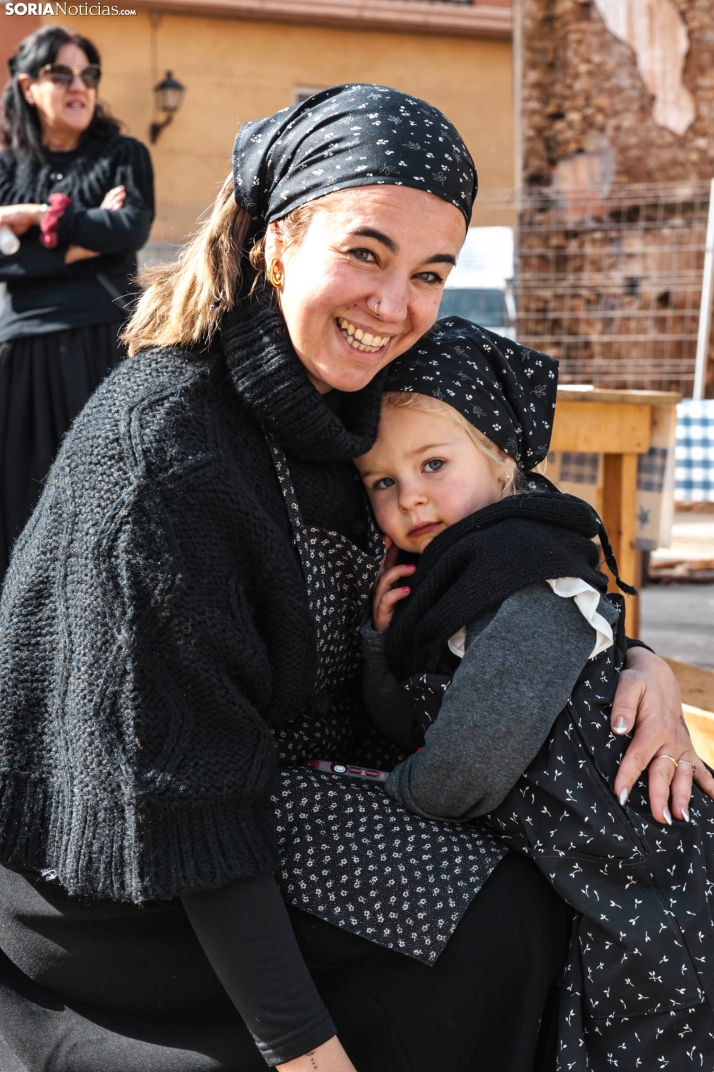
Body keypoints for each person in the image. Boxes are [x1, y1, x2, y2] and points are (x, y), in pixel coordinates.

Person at [0, 84, 696, 1072]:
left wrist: (640, 661)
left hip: (296, 804)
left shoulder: (372, 406)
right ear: (278, 240)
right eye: (365, 252)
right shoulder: (166, 452)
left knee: (557, 884)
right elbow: (182, 788)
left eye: (429, 273)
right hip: (123, 883)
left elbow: (528, 538)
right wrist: (304, 1049)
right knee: (498, 925)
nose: (394, 305)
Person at [354, 316, 714, 1069]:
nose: (411, 499)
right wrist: (382, 647)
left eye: (432, 465)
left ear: (499, 457)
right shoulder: (456, 578)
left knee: (647, 1033)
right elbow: (414, 724)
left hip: (636, 868)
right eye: (384, 481)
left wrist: (390, 793)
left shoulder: (525, 578)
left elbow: (463, 770)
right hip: (581, 861)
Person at [0, 25, 155, 583]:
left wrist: (29, 218)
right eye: (61, 73)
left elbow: (130, 228)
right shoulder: (4, 167)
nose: (79, 85)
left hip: (102, 338)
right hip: (22, 349)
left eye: (88, 74)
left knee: (102, 491)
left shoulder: (123, 155)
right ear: (27, 85)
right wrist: (83, 231)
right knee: (18, 499)